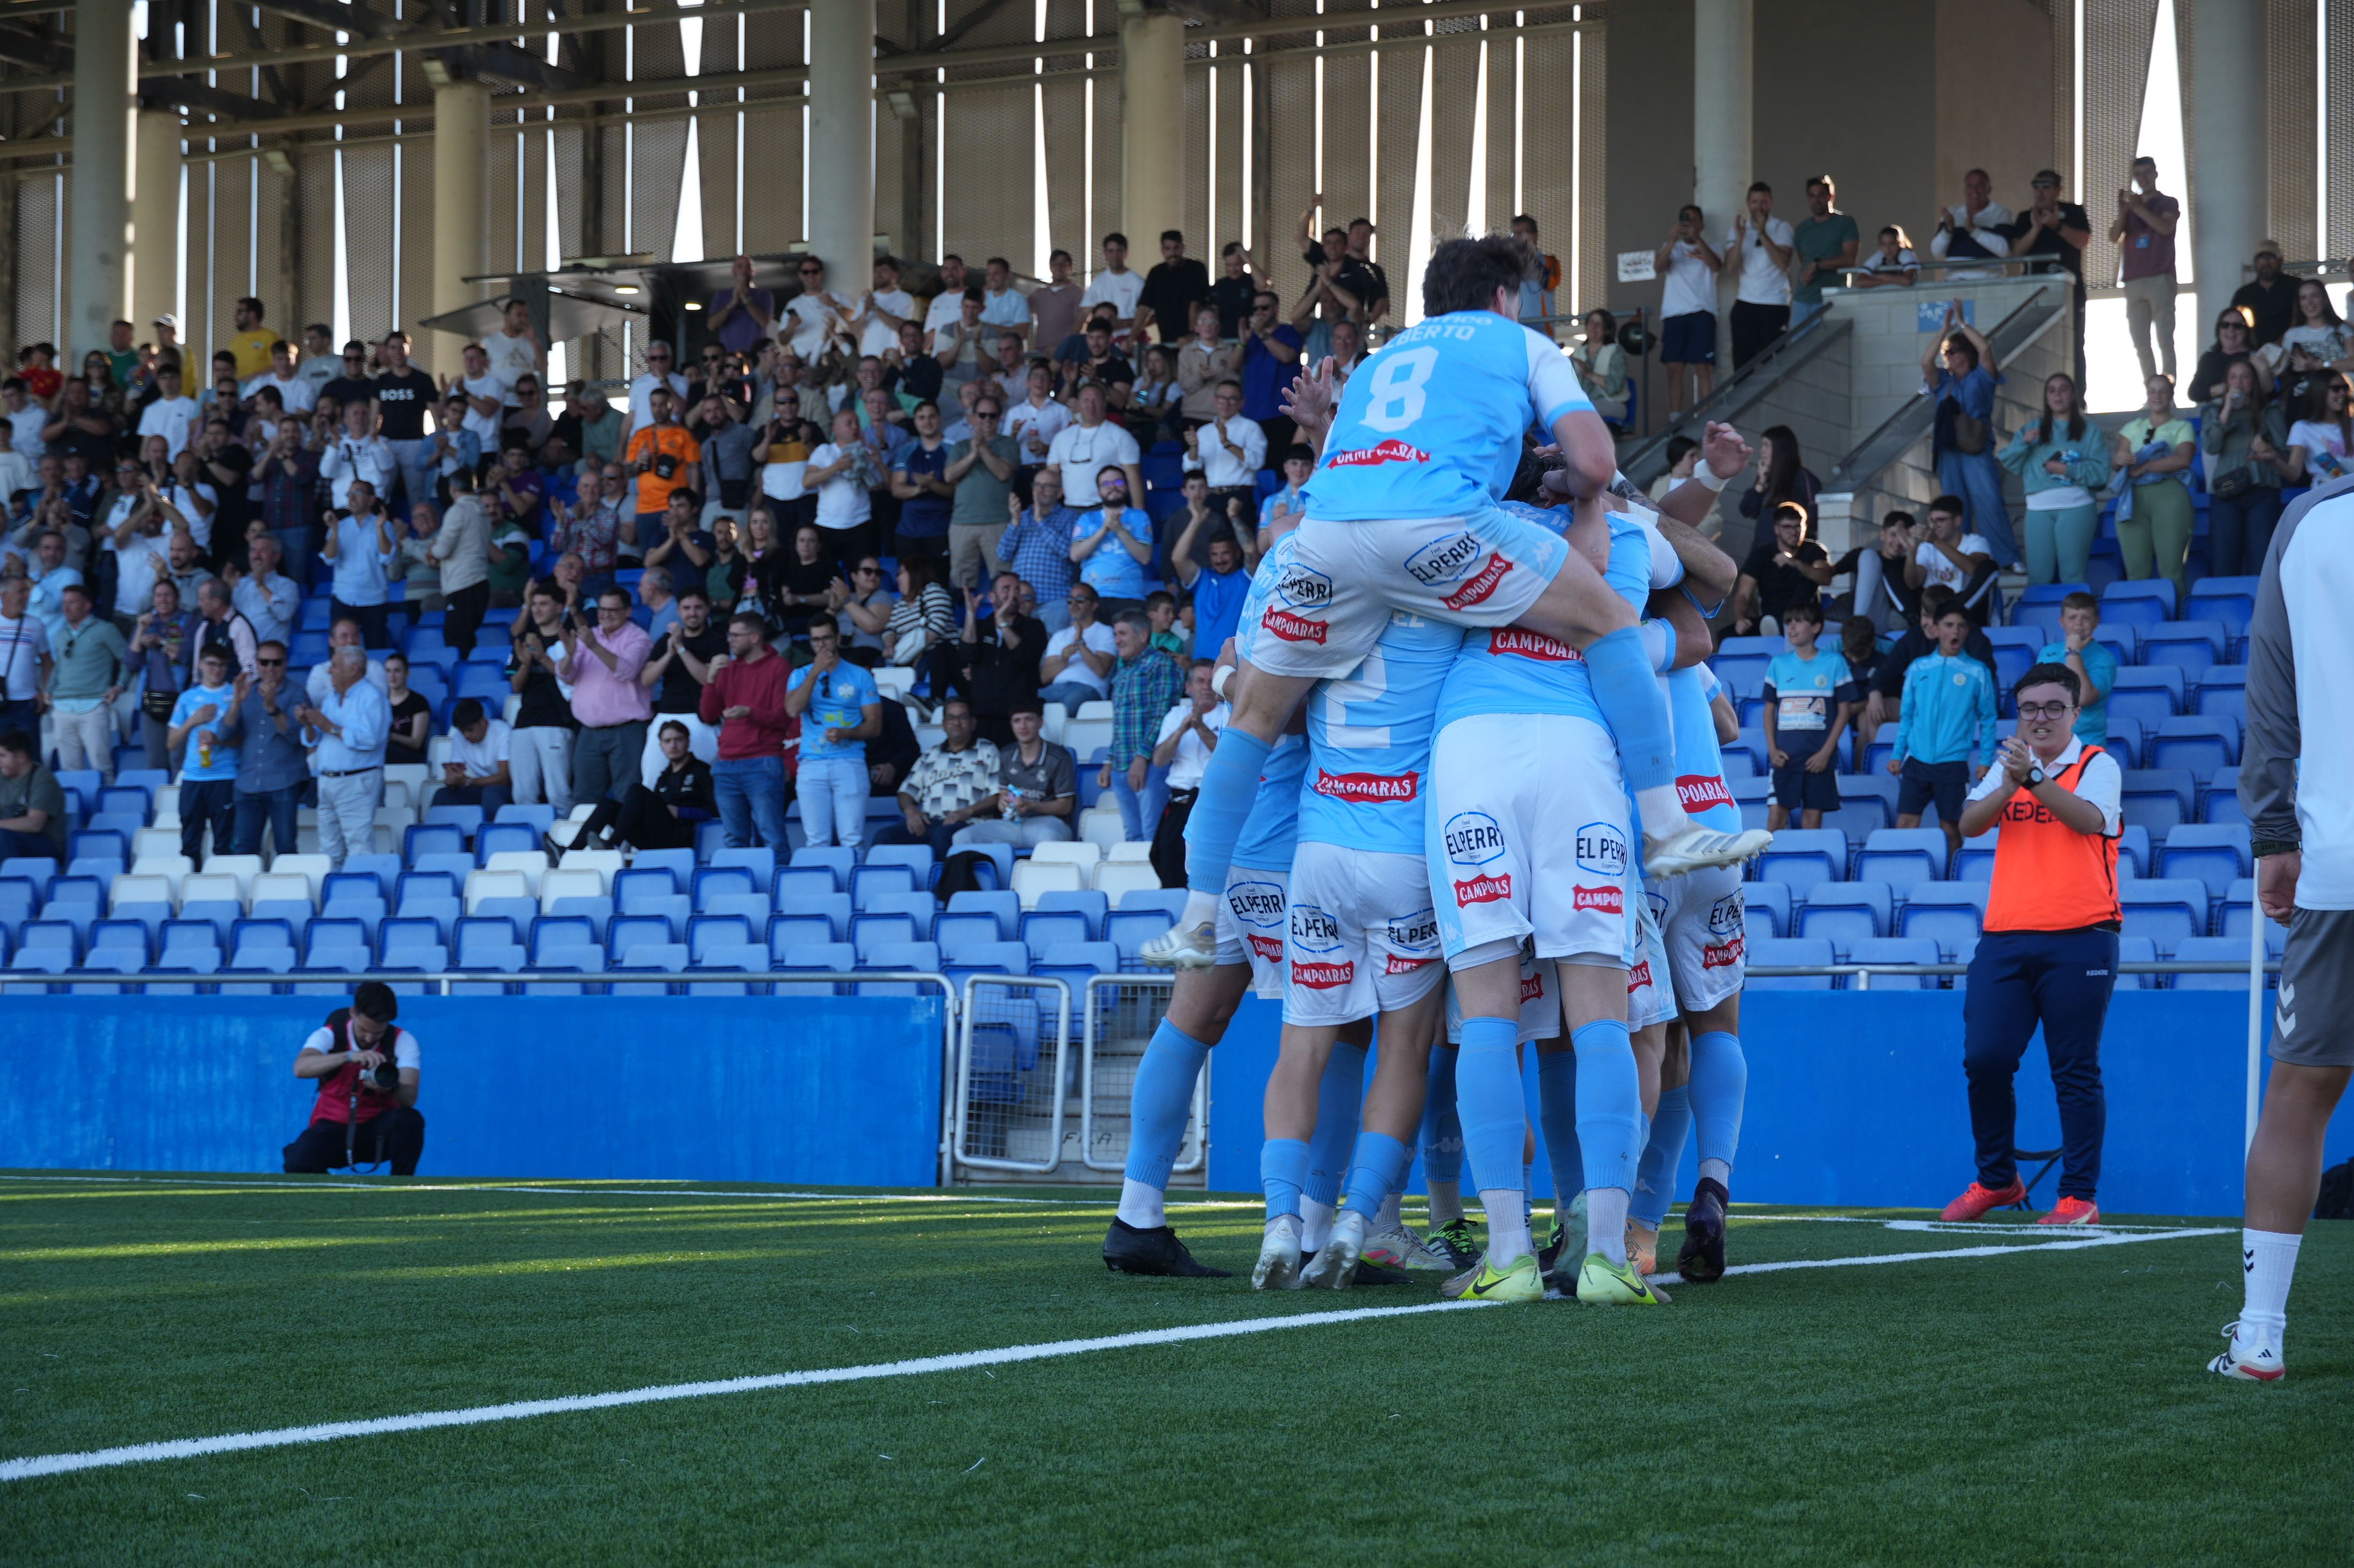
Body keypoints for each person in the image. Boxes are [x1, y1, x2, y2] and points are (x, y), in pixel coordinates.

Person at [1144, 236, 1755, 971]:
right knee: (1613, 624)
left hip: (1330, 532)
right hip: (1438, 532)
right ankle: (1667, 829)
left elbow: (1374, 461)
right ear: (1505, 297)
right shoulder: (1522, 343)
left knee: (1252, 721)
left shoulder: (1380, 360)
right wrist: (1584, 492)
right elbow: (1596, 465)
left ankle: (1199, 918)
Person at [2214, 471, 2354, 1381]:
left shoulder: (2309, 521)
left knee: (2298, 1092)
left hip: (2338, 852)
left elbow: (2269, 697)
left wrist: (2271, 830)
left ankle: (2259, 1334)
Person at [1945, 663, 2123, 1228]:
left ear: (2075, 713)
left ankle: (2079, 1195)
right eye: (2029, 708)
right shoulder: (2007, 766)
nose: (2040, 718)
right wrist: (2009, 780)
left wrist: (2036, 781)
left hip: (2081, 935)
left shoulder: (2097, 764)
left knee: (2073, 1068)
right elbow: (1969, 824)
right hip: (2005, 936)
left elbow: (2089, 820)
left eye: (2052, 707)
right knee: (1985, 1058)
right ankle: (1997, 1178)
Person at [1887, 601, 1998, 859]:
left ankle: (1951, 880)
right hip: (1916, 761)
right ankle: (1904, 874)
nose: (1955, 632)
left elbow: (1989, 718)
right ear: (1936, 629)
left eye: (1961, 626)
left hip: (1952, 764)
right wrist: (1897, 754)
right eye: (1949, 626)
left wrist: (1985, 760)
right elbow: (1907, 717)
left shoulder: (1977, 671)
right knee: (1905, 824)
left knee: (1951, 828)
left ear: (1968, 631)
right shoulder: (1918, 668)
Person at [282, 983, 425, 1177]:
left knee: (410, 1121)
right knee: (297, 1160)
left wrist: (389, 1086)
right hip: (333, 1128)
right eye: (363, 1030)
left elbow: (409, 1098)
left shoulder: (402, 1040)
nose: (369, 1038)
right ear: (353, 1013)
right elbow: (300, 1068)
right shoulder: (330, 1034)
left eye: (378, 1033)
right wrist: (348, 1056)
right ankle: (326, 1193)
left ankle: (402, 1186)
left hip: (378, 1132)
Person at [1919, 304, 2015, 568]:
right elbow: (1926, 362)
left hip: (1976, 448)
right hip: (1950, 450)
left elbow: (1985, 349)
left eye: (1952, 351)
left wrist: (1962, 324)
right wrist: (1943, 332)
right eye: (1946, 352)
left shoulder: (1981, 377)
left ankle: (2006, 558)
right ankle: (1959, 559)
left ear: (1966, 354)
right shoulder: (1942, 380)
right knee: (1955, 510)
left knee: (1990, 502)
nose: (1947, 356)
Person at [1999, 372, 2111, 586]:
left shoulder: (2090, 431)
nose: (2057, 395)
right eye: (2052, 390)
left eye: (2063, 389)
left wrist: (2067, 470)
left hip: (2076, 506)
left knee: (2073, 575)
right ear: (2046, 397)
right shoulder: (2033, 428)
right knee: (2039, 578)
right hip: (2038, 509)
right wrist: (2023, 443)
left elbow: (2101, 474)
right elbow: (2008, 462)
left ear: (2073, 396)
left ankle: (2077, 619)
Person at [696, 611, 794, 851]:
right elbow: (708, 715)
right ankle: (739, 887)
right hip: (727, 763)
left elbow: (784, 717)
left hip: (762, 762)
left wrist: (749, 712)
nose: (730, 640)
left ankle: (779, 884)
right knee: (733, 839)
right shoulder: (728, 669)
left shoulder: (779, 668)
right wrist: (710, 679)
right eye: (730, 635)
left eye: (736, 636)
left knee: (772, 836)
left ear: (755, 637)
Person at [784, 618, 881, 850]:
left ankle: (855, 885)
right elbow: (793, 709)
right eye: (816, 640)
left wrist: (847, 733)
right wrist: (815, 672)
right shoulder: (800, 675)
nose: (822, 645)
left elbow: (875, 726)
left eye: (827, 638)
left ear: (838, 638)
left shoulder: (860, 676)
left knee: (852, 839)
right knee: (816, 841)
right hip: (811, 764)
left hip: (850, 761)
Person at [1761, 599, 1856, 832]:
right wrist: (1772, 750)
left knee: (1812, 821)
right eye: (1788, 622)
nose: (1791, 627)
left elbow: (1844, 711)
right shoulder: (1778, 664)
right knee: (1776, 818)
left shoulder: (1835, 662)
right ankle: (1766, 866)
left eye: (1799, 622)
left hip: (1819, 760)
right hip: (1785, 758)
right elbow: (1769, 711)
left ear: (1816, 628)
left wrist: (1826, 753)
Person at [558, 587, 655, 807]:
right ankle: (582, 841)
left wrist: (594, 646)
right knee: (583, 797)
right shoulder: (589, 636)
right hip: (589, 731)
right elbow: (566, 676)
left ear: (628, 611)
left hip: (628, 730)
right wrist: (571, 653)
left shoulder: (639, 638)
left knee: (628, 794)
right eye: (602, 609)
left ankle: (627, 841)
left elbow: (627, 671)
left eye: (613, 610)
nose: (606, 615)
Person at [296, 645, 390, 869]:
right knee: (329, 850)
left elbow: (370, 739)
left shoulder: (373, 698)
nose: (330, 672)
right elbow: (315, 738)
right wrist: (309, 724)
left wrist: (329, 727)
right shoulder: (331, 699)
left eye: (335, 666)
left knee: (360, 848)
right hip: (327, 780)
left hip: (356, 780)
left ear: (354, 669)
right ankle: (334, 896)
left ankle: (363, 899)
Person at [1099, 611, 1186, 843]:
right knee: (1133, 837)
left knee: (1151, 836)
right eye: (1115, 634)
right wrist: (1109, 760)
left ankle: (1157, 882)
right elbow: (1120, 723)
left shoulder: (1162, 665)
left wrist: (1142, 758)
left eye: (1123, 634)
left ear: (1143, 635)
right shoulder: (1123, 670)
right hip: (1121, 765)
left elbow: (1163, 715)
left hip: (1150, 767)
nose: (1117, 640)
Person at [2200, 358, 2291, 578]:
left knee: (2262, 564)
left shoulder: (2269, 411)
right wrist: (2228, 409)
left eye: (2246, 377)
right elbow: (2211, 446)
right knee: (2224, 564)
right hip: (2226, 492)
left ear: (2254, 382)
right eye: (2234, 377)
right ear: (2227, 383)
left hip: (2262, 490)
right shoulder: (2214, 410)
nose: (2239, 382)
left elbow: (2286, 454)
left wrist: (2268, 450)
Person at [569, 718, 715, 855]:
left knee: (637, 790)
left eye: (678, 740)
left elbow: (715, 811)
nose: (673, 746)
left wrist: (682, 812)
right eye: (668, 741)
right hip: (655, 838)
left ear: (688, 742)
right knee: (609, 806)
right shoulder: (663, 778)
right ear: (661, 746)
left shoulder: (702, 771)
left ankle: (613, 843)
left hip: (682, 837)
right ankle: (570, 851)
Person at [2110, 373, 2197, 598]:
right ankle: (2140, 622)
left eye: (2162, 391)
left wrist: (2147, 467)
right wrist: (2121, 459)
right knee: (2136, 571)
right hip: (2133, 498)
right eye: (2152, 391)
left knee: (2172, 570)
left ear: (2171, 395)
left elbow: (2183, 459)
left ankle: (2177, 626)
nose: (2157, 396)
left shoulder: (2182, 426)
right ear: (2147, 395)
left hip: (2170, 495)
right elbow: (2118, 459)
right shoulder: (2133, 426)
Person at [2003, 171, 2094, 384]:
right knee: (2037, 341)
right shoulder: (2025, 218)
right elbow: (2016, 253)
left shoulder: (2073, 211)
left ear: (2058, 191)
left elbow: (2083, 240)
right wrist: (2037, 228)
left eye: (2046, 186)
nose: (2040, 191)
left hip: (2071, 291)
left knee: (2073, 342)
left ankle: (2078, 398)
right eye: (2036, 186)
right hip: (2035, 290)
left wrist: (2057, 225)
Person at [954, 699, 1077, 848]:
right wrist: (1004, 804)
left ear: (1041, 722)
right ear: (1011, 725)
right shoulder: (1007, 754)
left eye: (1029, 720)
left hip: (1049, 822)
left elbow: (1065, 806)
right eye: (1017, 721)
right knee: (963, 838)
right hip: (1012, 824)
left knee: (1049, 839)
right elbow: (1002, 799)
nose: (1023, 726)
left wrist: (1032, 806)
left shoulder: (1059, 757)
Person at [888, 698, 1001, 854]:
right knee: (885, 837)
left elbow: (997, 796)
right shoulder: (930, 754)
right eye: (951, 718)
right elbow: (906, 792)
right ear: (943, 724)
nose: (956, 722)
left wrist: (965, 813)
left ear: (973, 723)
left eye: (962, 717)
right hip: (930, 822)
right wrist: (911, 811)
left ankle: (943, 879)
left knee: (942, 836)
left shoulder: (987, 750)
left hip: (969, 823)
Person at [1148, 660, 1225, 886]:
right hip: (1180, 799)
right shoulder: (1175, 715)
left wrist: (1201, 727)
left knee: (1206, 863)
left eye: (1212, 682)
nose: (1206, 687)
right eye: (1200, 681)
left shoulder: (1227, 715)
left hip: (1211, 798)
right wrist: (1182, 728)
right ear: (1188, 687)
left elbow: (1226, 756)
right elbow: (1160, 759)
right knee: (1163, 856)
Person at [228, 640, 307, 856]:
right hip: (247, 784)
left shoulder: (297, 693)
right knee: (243, 852)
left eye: (276, 663)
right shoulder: (247, 692)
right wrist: (236, 703)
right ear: (256, 664)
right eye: (264, 663)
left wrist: (272, 707)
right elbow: (225, 734)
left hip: (283, 782)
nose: (270, 668)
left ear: (286, 663)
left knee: (286, 849)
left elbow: (294, 736)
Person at [506, 582, 578, 814]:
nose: (537, 610)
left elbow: (572, 679)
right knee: (523, 794)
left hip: (557, 721)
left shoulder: (570, 639)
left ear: (559, 608)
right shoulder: (525, 640)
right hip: (524, 722)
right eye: (534, 604)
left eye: (543, 604)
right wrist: (526, 665)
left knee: (559, 793)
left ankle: (567, 843)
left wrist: (541, 656)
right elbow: (515, 686)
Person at [2108, 155, 2181, 382]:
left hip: (2160, 277)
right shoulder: (2132, 207)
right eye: (2138, 175)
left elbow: (2165, 227)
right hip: (2133, 281)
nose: (2143, 178)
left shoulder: (2168, 202)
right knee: (2141, 342)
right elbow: (2114, 236)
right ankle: (2151, 391)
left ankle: (2168, 389)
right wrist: (2124, 212)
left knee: (2165, 340)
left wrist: (2137, 209)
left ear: (2156, 174)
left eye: (2147, 173)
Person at [44, 583, 125, 780]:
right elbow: (59, 667)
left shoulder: (106, 629)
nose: (66, 608)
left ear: (87, 605)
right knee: (69, 771)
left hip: (94, 705)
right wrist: (48, 690)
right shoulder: (62, 634)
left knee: (101, 767)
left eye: (72, 603)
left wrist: (120, 686)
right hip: (62, 707)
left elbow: (128, 660)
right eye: (64, 603)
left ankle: (108, 809)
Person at [944, 394, 1018, 592]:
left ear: (999, 418)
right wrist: (973, 454)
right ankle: (966, 622)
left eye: (992, 416)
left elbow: (1003, 473)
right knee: (961, 582)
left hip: (998, 521)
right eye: (982, 415)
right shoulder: (960, 447)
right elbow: (949, 476)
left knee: (1003, 581)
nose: (987, 420)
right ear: (974, 417)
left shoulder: (1008, 444)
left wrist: (982, 447)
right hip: (962, 521)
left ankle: (1003, 622)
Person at [1729, 502, 1832, 636]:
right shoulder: (1761, 556)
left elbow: (1825, 578)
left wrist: (1796, 564)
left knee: (1807, 581)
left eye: (1798, 527)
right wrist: (1741, 619)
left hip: (1805, 620)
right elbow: (1743, 594)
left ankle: (1784, 627)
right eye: (1787, 527)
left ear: (1805, 527)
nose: (1794, 532)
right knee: (1727, 634)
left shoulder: (1815, 551)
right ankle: (1777, 628)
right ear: (1777, 529)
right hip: (1771, 619)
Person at [320, 478, 397, 649]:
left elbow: (388, 558)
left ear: (372, 500)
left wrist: (379, 529)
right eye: (350, 494)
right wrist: (334, 531)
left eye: (358, 493)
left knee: (376, 649)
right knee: (340, 652)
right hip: (344, 597)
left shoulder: (385, 526)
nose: (352, 498)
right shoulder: (340, 526)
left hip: (374, 599)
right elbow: (329, 559)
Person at [997, 469, 1078, 629]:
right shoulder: (1023, 516)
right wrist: (1015, 522)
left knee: (1054, 653)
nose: (1040, 490)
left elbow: (1068, 554)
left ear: (1060, 492)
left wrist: (1041, 522)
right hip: (1021, 603)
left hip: (1054, 601)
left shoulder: (1071, 517)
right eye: (1037, 485)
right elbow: (1003, 554)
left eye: (1047, 486)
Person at [1726, 182, 1796, 369]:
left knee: (1772, 364)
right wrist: (1741, 238)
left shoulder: (1781, 227)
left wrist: (1762, 234)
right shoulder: (1739, 229)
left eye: (1763, 202)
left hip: (1774, 304)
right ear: (1748, 203)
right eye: (1755, 202)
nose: (1759, 207)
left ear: (1771, 203)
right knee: (1742, 365)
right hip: (1745, 303)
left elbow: (1783, 264)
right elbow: (1730, 268)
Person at [1069, 468, 1154, 612]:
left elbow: (1145, 558)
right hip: (1093, 598)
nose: (1113, 487)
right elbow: (1075, 555)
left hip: (1130, 596)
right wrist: (1104, 530)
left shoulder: (1139, 517)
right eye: (1106, 484)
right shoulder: (1087, 519)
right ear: (1099, 492)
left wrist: (1120, 530)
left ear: (1126, 486)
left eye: (1118, 482)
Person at [2036, 591, 2115, 747]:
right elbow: (2033, 696)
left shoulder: (2104, 658)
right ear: (2062, 622)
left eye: (2086, 618)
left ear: (2096, 622)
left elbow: (2083, 698)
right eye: (2072, 618)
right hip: (2048, 743)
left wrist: (2073, 652)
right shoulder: (2047, 652)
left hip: (2086, 745)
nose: (2079, 623)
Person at [1903, 493, 1997, 623]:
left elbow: (1972, 568)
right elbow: (1914, 583)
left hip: (1970, 614)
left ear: (1957, 521)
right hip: (1935, 610)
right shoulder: (1927, 547)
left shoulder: (1976, 542)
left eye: (1941, 520)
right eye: (1932, 521)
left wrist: (1936, 541)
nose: (1935, 526)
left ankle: (1953, 616)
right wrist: (1910, 554)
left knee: (1990, 567)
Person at [1790, 175, 1859, 327]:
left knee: (1829, 348)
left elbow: (1849, 260)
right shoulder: (1802, 229)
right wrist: (1811, 268)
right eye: (1812, 196)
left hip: (1831, 299)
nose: (1817, 200)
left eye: (1821, 195)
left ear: (1831, 196)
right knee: (1799, 348)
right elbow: (1804, 261)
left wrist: (1818, 265)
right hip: (1803, 299)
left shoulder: (1845, 223)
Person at [1735, 424, 1821, 544]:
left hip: (1789, 555)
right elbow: (1747, 510)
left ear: (1779, 448)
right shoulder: (1769, 479)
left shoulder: (1802, 478)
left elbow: (1816, 514)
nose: (1762, 451)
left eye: (1766, 445)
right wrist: (1760, 482)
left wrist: (1795, 543)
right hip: (1763, 552)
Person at [1038, 581, 1117, 710]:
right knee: (1028, 704)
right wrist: (1064, 659)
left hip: (1088, 688)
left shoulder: (1106, 632)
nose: (1074, 604)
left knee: (1070, 703)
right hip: (1057, 688)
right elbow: (1045, 678)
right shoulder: (1059, 636)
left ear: (1094, 605)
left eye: (1080, 599)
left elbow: (1101, 670)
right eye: (1070, 600)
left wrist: (1080, 643)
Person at [1928, 167, 2012, 280]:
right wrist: (1948, 230)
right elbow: (1936, 252)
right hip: (1954, 284)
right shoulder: (1952, 213)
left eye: (1980, 185)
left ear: (1989, 189)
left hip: (1989, 284)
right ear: (1964, 190)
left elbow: (2004, 250)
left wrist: (1974, 231)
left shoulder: (2001, 213)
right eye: (1970, 186)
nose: (1974, 190)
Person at [431, 699, 513, 811]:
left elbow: (505, 778)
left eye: (470, 730)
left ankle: (492, 829)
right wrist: (453, 780)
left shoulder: (502, 732)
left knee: (491, 793)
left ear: (483, 722)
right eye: (462, 731)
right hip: (481, 788)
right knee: (442, 795)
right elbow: (457, 770)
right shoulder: (458, 738)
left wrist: (468, 782)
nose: (466, 736)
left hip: (509, 790)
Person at [0, 726, 65, 860]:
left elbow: (35, 824)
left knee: (2, 837)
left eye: (3, 756)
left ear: (22, 758)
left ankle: (11, 880)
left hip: (45, 844)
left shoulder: (43, 779)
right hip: (10, 839)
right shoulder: (3, 777)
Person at [2188, 307, 2269, 407]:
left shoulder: (2256, 357)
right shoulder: (2209, 358)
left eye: (2237, 326)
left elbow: (2269, 397)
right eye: (2225, 325)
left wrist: (2265, 373)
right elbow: (2194, 393)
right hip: (2215, 415)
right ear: (2218, 330)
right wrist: (2225, 388)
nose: (2231, 330)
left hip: (2250, 414)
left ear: (2246, 330)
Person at [0, 572, 48, 738]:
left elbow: (48, 662)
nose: (27, 597)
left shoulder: (36, 625)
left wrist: (44, 691)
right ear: (4, 596)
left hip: (27, 703)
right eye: (21, 592)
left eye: (27, 592)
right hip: (0, 702)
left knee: (30, 756)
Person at [1570, 310, 1629, 423]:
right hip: (1584, 403)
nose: (1594, 326)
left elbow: (1614, 387)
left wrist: (1587, 373)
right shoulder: (1578, 353)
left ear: (1608, 330)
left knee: (1581, 412)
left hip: (1612, 402)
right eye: (1591, 322)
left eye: (1599, 324)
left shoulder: (1616, 351)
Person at [382, 651, 432, 770]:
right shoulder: (380, 701)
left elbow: (417, 742)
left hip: (410, 756)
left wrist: (391, 736)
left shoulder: (418, 702)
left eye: (397, 671)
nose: (392, 676)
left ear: (407, 673)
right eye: (388, 671)